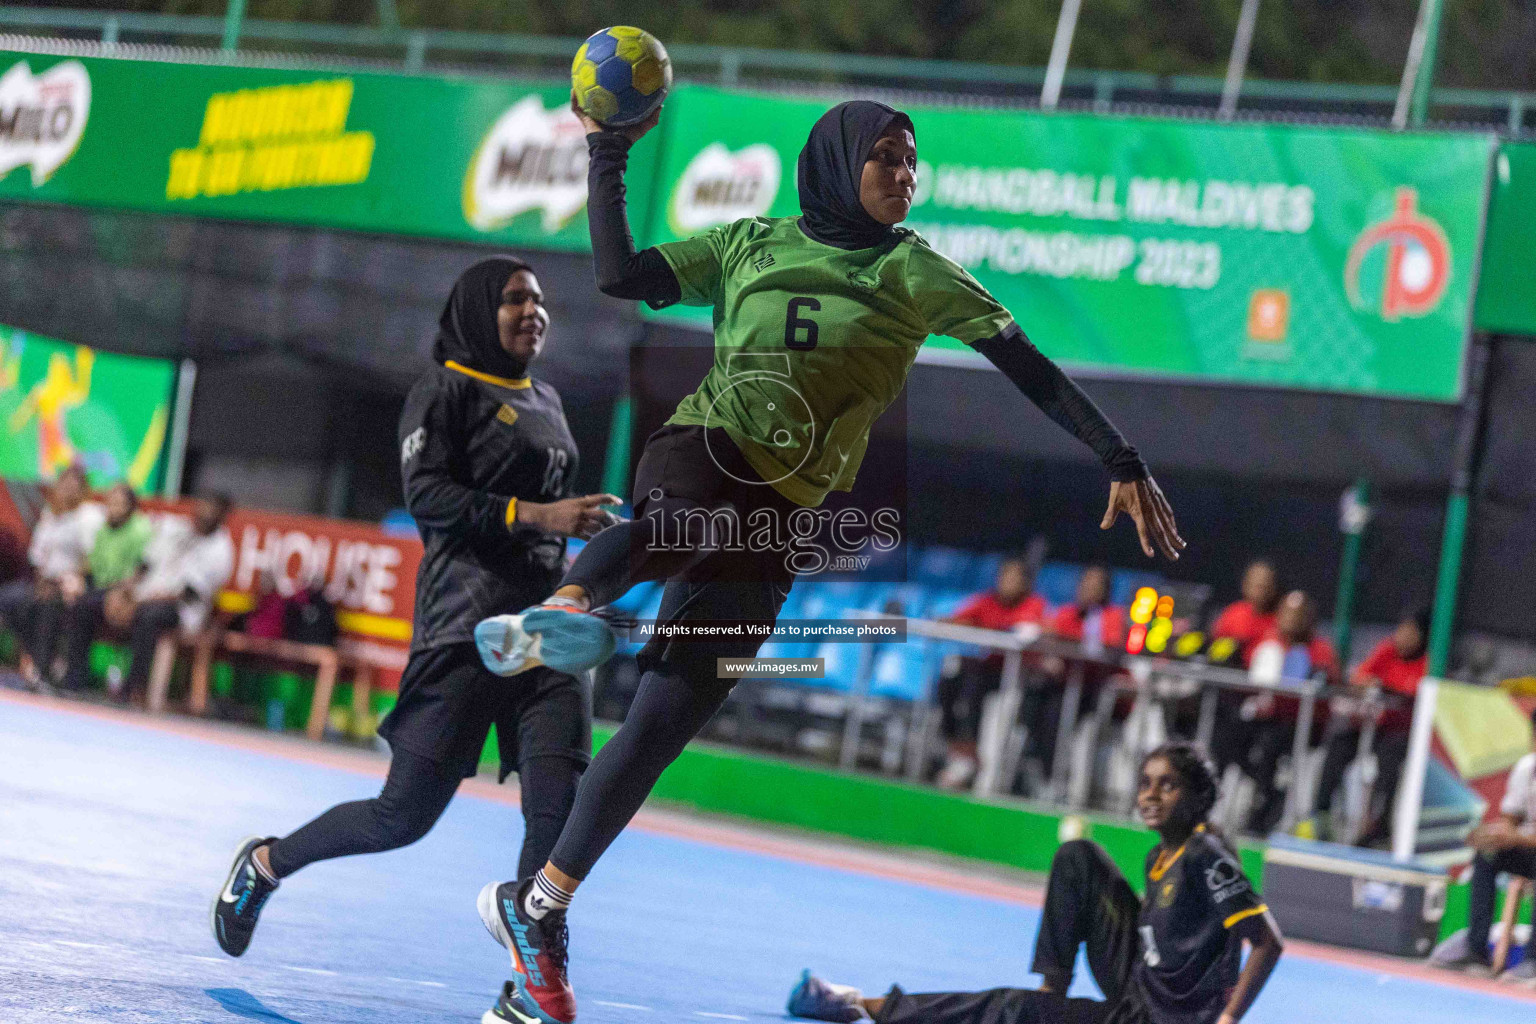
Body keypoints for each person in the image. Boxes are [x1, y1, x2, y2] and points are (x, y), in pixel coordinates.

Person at [469, 97, 1185, 1024]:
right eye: (886, 157)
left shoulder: (916, 271)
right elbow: (618, 273)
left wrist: (1119, 456)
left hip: (783, 518)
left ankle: (540, 913)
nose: (904, 175)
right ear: (840, 161)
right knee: (683, 524)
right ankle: (566, 608)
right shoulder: (747, 244)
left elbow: (1030, 368)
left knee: (664, 720)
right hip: (705, 450)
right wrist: (608, 152)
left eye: (912, 161)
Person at [209, 258, 620, 978]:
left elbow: (544, 513)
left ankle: (532, 985)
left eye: (541, 301)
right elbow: (428, 497)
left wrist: (583, 543)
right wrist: (541, 515)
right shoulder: (445, 388)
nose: (535, 313)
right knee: (401, 817)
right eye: (515, 300)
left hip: (547, 631)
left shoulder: (548, 398)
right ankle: (266, 864)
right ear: (474, 312)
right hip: (465, 628)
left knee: (556, 806)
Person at [788, 742, 1283, 1024]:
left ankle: (860, 1004)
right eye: (1145, 783)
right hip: (1142, 986)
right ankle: (1053, 992)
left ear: (1198, 798)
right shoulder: (1161, 853)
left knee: (1009, 1009)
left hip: (1161, 1021)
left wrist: (1226, 1020)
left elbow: (1268, 943)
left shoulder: (1207, 857)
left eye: (1167, 785)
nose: (1150, 795)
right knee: (1078, 856)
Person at [86, 492, 235, 702]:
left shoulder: (221, 551)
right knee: (87, 604)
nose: (203, 513)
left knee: (148, 617)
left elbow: (187, 595)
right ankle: (75, 678)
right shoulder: (176, 528)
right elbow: (145, 564)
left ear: (222, 517)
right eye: (201, 507)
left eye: (211, 511)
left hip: (181, 611)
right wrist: (122, 591)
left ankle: (134, 687)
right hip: (142, 595)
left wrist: (137, 602)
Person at [1310, 606, 1429, 846]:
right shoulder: (1386, 651)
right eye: (1401, 631)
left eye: (1411, 633)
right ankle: (1320, 812)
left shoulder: (1428, 662)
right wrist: (1367, 684)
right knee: (1339, 745)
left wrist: (1383, 688)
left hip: (1398, 733)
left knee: (1388, 762)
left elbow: (1412, 694)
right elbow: (1360, 679)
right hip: (1370, 725)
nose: (1403, 638)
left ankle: (1379, 826)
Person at [933, 554, 1048, 790]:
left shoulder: (1034, 605)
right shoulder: (986, 601)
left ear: (1025, 583)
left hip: (1016, 677)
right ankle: (960, 749)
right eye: (1006, 577)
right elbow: (955, 620)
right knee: (952, 675)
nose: (1009, 583)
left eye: (1016, 578)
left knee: (974, 685)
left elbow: (1039, 632)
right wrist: (959, 623)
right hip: (984, 671)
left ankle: (974, 755)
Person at [1436, 717, 1536, 981]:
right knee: (1488, 855)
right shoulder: (1528, 769)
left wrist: (1516, 837)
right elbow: (1510, 822)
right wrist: (1492, 835)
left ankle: (1533, 961)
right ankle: (1476, 950)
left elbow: (1518, 834)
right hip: (1530, 848)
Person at [1236, 591, 1339, 835]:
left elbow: (1330, 681)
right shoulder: (1268, 642)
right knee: (1230, 736)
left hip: (1303, 726)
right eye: (1288, 614)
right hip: (1266, 718)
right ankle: (1267, 790)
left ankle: (1266, 808)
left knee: (1270, 745)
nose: (1292, 620)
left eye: (1299, 615)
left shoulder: (1321, 649)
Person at [0, 464, 103, 688]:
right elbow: (37, 556)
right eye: (64, 484)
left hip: (75, 581)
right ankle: (38, 658)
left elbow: (91, 558)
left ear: (83, 489)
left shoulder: (88, 515)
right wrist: (41, 581)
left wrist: (65, 581)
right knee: (9, 599)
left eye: (74, 486)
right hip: (45, 580)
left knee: (48, 604)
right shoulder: (50, 514)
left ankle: (46, 669)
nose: (68, 490)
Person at [59, 482, 153, 691]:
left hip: (129, 593)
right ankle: (74, 676)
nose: (115, 509)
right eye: (111, 503)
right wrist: (75, 579)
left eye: (120, 504)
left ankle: (130, 688)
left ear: (131, 506)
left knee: (86, 606)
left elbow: (144, 568)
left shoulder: (141, 529)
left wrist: (122, 593)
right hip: (101, 587)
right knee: (73, 602)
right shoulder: (103, 529)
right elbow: (92, 564)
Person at [1208, 561, 1280, 666]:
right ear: (1245, 585)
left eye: (1265, 586)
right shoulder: (1232, 613)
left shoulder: (1280, 620)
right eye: (1257, 585)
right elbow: (1214, 646)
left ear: (1273, 589)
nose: (1261, 591)